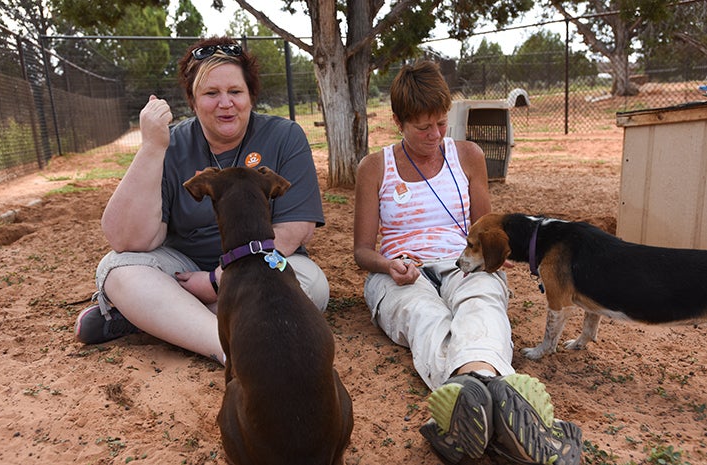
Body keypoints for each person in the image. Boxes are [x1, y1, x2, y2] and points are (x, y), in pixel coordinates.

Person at [353, 61, 582, 465]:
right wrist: (389, 265)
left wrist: (494, 260)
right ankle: (500, 398)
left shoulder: (468, 156)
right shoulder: (375, 167)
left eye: (441, 124)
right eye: (422, 127)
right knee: (422, 314)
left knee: (481, 301)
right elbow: (362, 251)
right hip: (399, 271)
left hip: (464, 260)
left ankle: (471, 394)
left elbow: (488, 227)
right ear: (397, 122)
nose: (435, 135)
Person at [74, 36, 329, 365]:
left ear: (251, 96)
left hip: (259, 265)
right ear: (192, 102)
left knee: (312, 286)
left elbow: (294, 230)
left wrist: (218, 279)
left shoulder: (285, 136)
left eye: (235, 92)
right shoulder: (171, 142)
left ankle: (151, 318)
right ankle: (231, 350)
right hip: (184, 271)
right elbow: (127, 239)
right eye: (211, 93)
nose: (226, 103)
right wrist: (151, 147)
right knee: (116, 270)